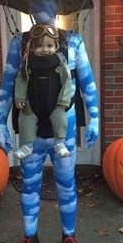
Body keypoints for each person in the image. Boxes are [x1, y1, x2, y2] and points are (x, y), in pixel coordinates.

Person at [0, 0, 99, 243]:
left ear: (56, 11)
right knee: (30, 187)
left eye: (48, 8)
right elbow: (8, 83)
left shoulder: (73, 41)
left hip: (62, 131)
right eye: (38, 8)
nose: (43, 12)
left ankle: (69, 238)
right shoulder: (21, 43)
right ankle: (30, 238)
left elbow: (87, 81)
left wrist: (95, 117)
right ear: (30, 12)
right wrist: (0, 123)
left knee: (66, 185)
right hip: (31, 128)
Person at [14, 23, 71, 159]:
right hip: (33, 102)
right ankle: (27, 146)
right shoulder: (28, 63)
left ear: (56, 46)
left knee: (60, 118)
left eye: (49, 46)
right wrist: (20, 98)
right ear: (32, 47)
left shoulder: (59, 62)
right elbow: (21, 80)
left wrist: (64, 99)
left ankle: (59, 143)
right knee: (25, 117)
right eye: (39, 46)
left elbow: (67, 80)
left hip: (54, 102)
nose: (44, 49)